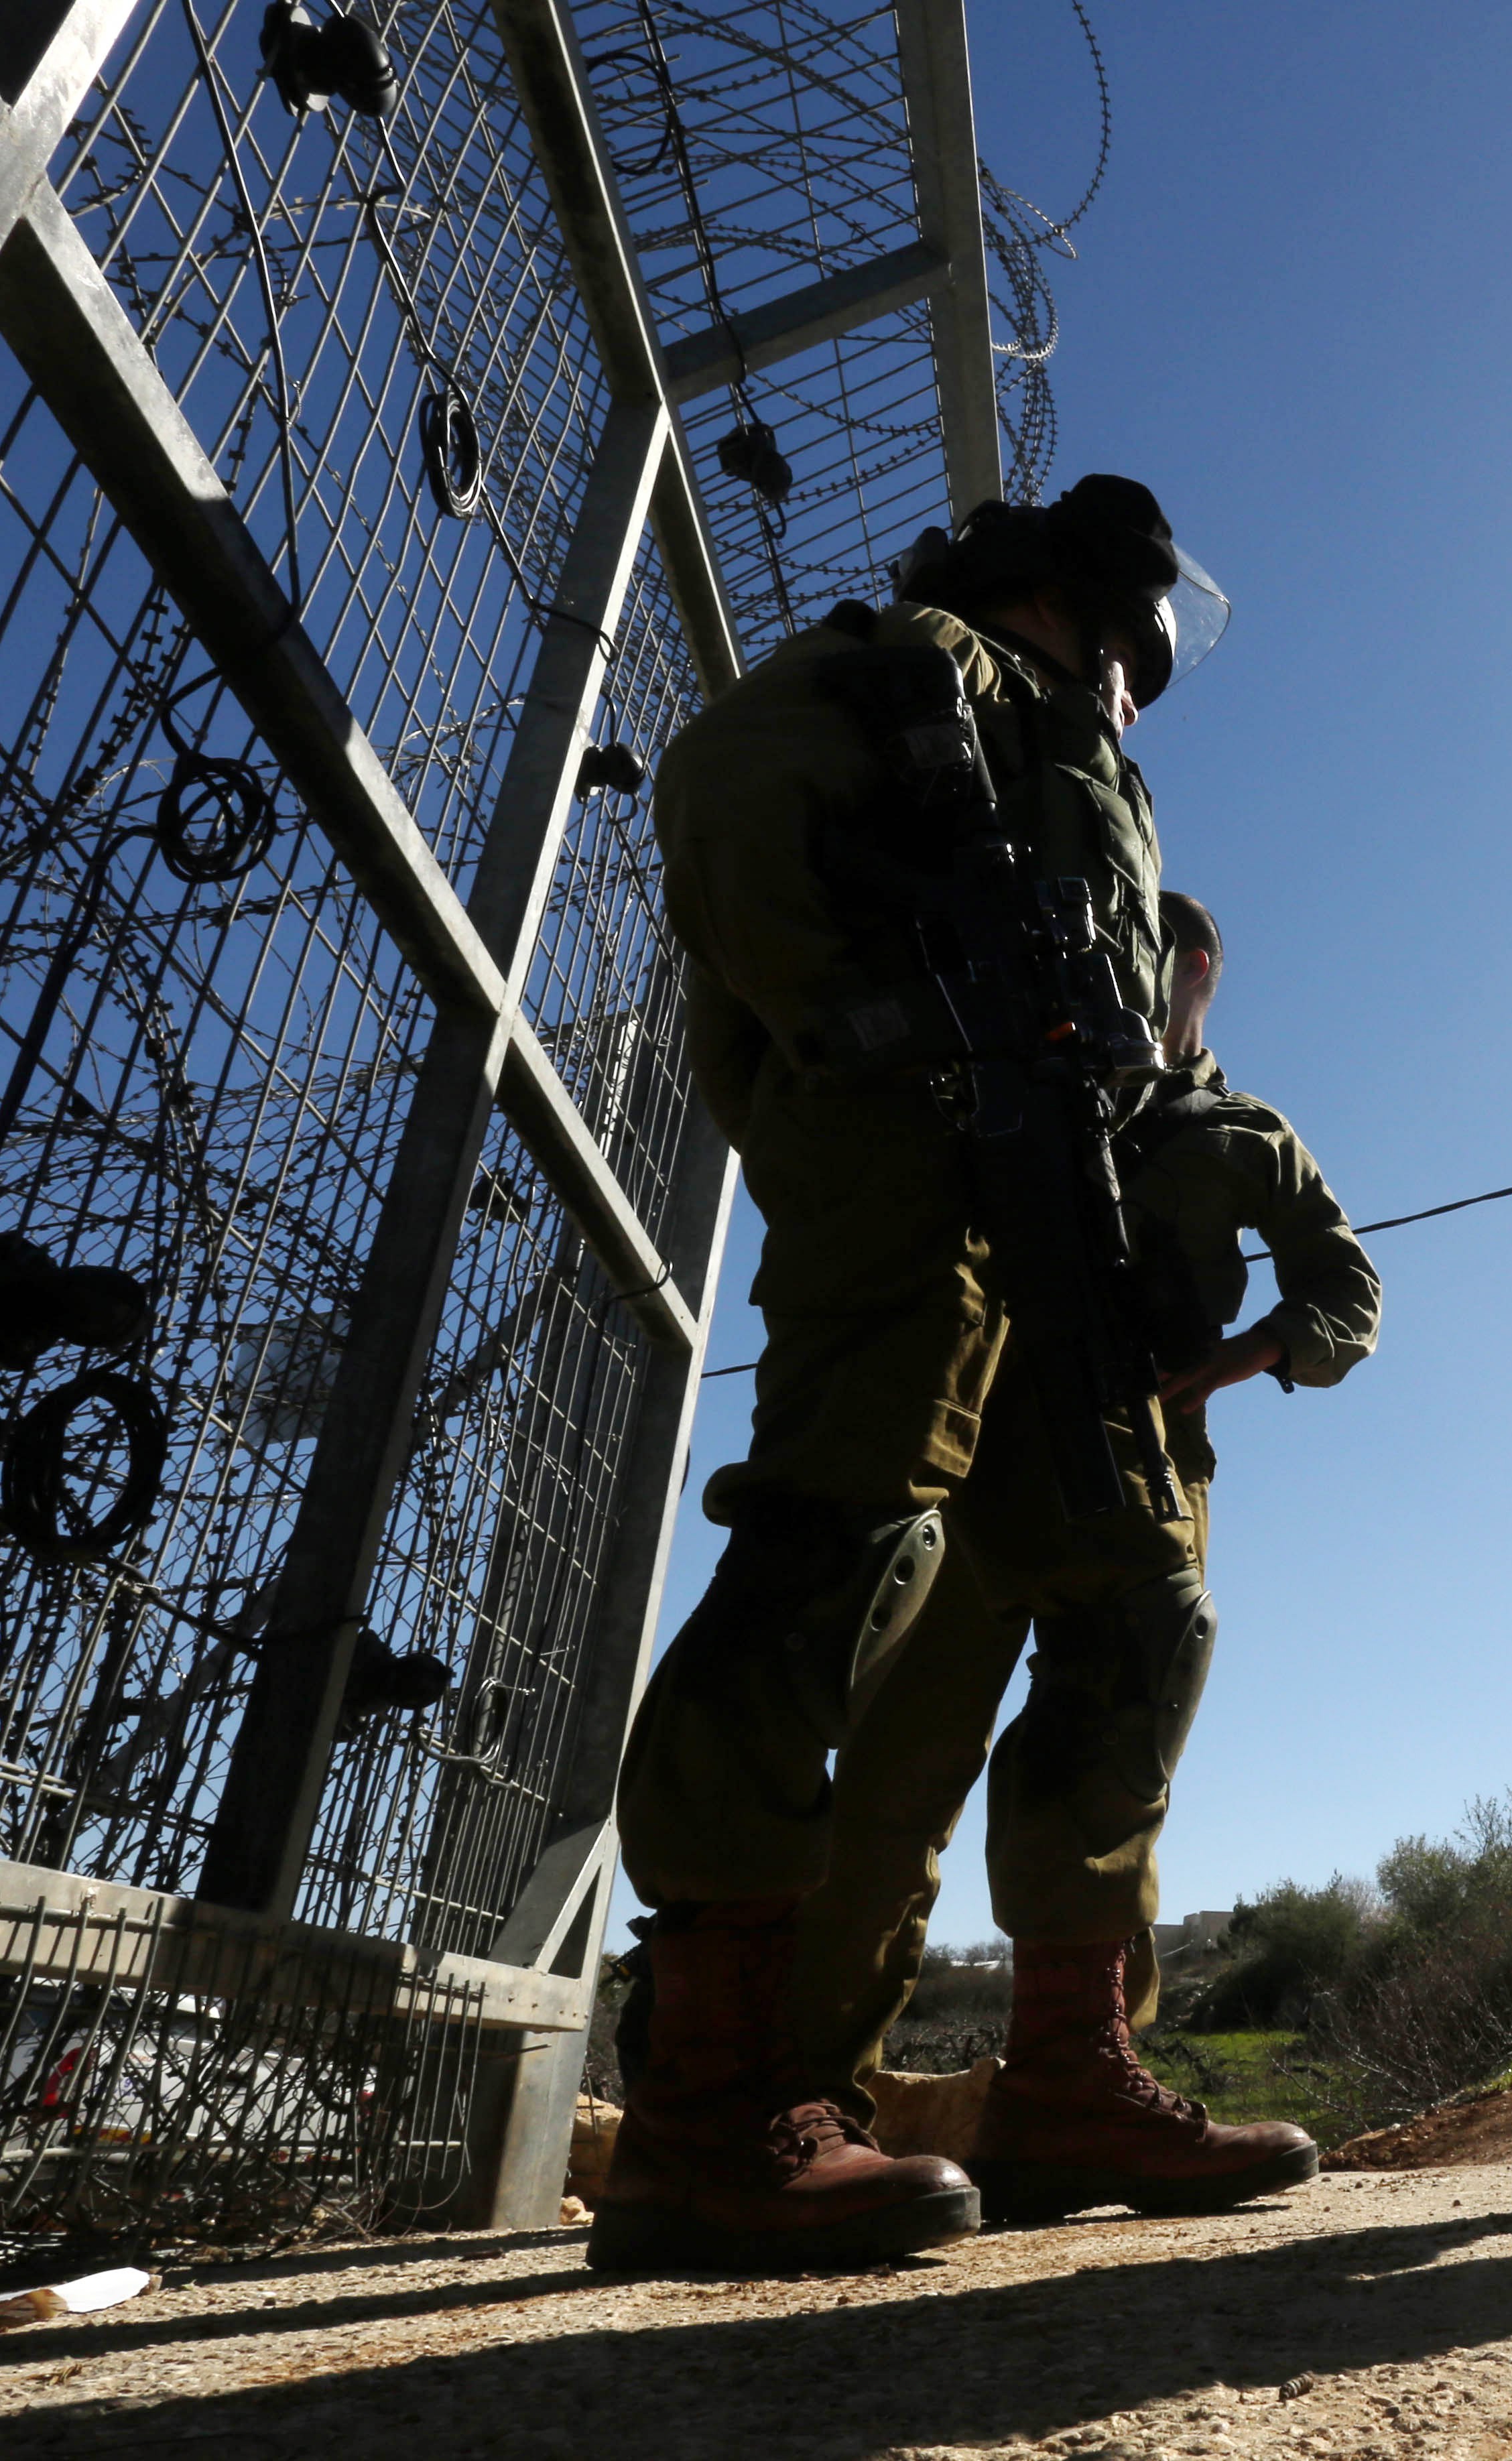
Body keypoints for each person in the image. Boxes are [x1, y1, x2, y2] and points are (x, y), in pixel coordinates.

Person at [597, 476, 1316, 2271]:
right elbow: (724, 794)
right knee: (834, 1558)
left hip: (1051, 1212)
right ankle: (707, 2110)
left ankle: (1073, 2073)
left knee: (1138, 1605)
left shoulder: (1069, 748)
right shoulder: (928, 669)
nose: (1151, 680)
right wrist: (882, 1052)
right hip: (916, 1192)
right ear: (1081, 604)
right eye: (1143, 645)